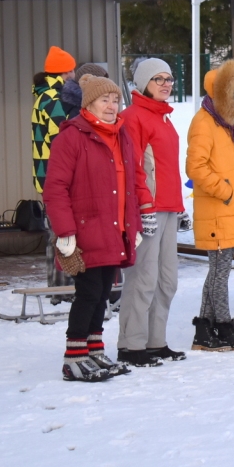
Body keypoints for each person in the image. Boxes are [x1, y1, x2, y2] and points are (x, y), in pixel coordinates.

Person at [43, 75, 147, 381]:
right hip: (86, 230)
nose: (112, 106)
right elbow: (56, 189)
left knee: (102, 293)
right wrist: (65, 232)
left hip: (113, 229)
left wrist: (134, 225)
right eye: (104, 100)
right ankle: (74, 357)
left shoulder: (121, 135)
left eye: (115, 100)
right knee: (88, 293)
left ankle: (94, 350)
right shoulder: (71, 138)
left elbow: (128, 186)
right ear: (88, 104)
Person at [186, 60, 234, 351]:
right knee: (220, 273)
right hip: (217, 210)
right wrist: (225, 191)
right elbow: (195, 167)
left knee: (219, 271)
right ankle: (223, 325)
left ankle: (204, 331)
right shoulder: (204, 123)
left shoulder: (225, 124)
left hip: (226, 211)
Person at [117, 58, 186, 366]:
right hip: (149, 209)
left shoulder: (165, 119)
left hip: (170, 208)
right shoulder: (133, 117)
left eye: (169, 78)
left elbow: (169, 168)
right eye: (158, 79)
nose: (166, 84)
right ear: (144, 83)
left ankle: (155, 341)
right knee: (143, 277)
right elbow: (134, 168)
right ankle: (131, 345)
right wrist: (143, 205)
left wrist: (180, 205)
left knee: (166, 279)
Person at [32, 46, 77, 194]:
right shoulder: (53, 98)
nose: (74, 74)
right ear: (66, 72)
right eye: (72, 70)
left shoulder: (45, 96)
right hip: (56, 177)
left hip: (48, 174)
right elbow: (61, 139)